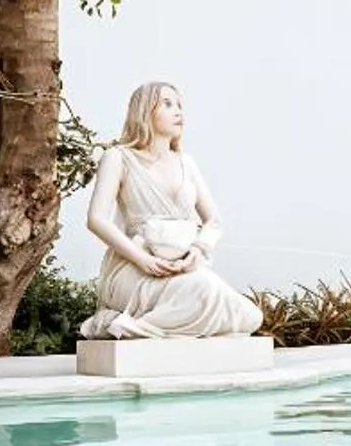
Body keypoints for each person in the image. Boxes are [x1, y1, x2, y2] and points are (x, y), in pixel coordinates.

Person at [80, 81, 264, 340]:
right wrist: (143, 260)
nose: (178, 112)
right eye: (167, 104)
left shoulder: (186, 163)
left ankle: (133, 326)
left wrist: (198, 250)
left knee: (250, 317)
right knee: (205, 291)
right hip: (135, 268)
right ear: (144, 111)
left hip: (181, 267)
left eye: (179, 105)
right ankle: (127, 324)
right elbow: (96, 219)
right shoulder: (119, 157)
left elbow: (214, 220)